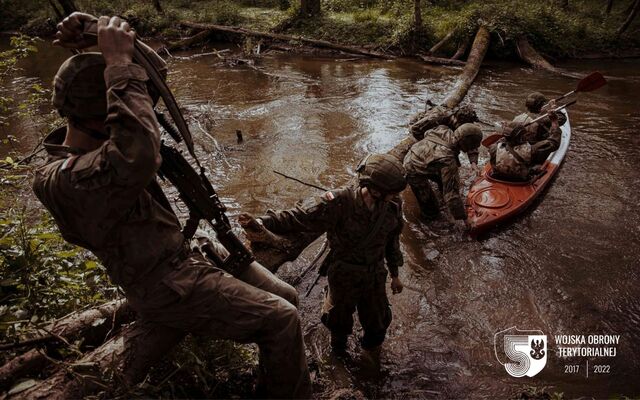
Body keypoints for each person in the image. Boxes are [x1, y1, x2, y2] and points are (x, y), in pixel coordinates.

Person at [32, 12, 310, 398]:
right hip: (162, 286)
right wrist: (115, 65)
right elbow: (140, 154)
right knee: (282, 319)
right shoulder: (65, 178)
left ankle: (272, 377)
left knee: (289, 297)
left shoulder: (106, 146)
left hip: (183, 258)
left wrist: (98, 31)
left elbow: (156, 76)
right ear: (108, 110)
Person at [239, 154, 406, 359]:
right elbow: (299, 217)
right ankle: (338, 357)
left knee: (378, 324)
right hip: (343, 274)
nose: (395, 195)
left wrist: (396, 274)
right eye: (391, 192)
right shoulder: (339, 202)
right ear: (375, 189)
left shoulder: (392, 206)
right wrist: (263, 222)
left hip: (374, 275)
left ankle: (371, 359)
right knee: (338, 322)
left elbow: (391, 240)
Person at [403, 123, 483, 221]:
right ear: (465, 144)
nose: (472, 148)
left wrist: (473, 162)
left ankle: (441, 191)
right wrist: (464, 218)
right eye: (471, 146)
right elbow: (452, 197)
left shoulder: (444, 129)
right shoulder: (448, 161)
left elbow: (426, 133)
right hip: (412, 171)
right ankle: (428, 217)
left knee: (445, 183)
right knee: (432, 211)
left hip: (418, 156)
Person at [489, 92, 565, 180]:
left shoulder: (494, 147)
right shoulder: (531, 150)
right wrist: (553, 113)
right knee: (537, 163)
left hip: (502, 167)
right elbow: (555, 138)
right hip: (528, 162)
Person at [408, 103, 479, 141]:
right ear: (456, 118)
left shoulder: (456, 121)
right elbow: (414, 128)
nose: (460, 127)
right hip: (416, 123)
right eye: (460, 125)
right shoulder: (436, 118)